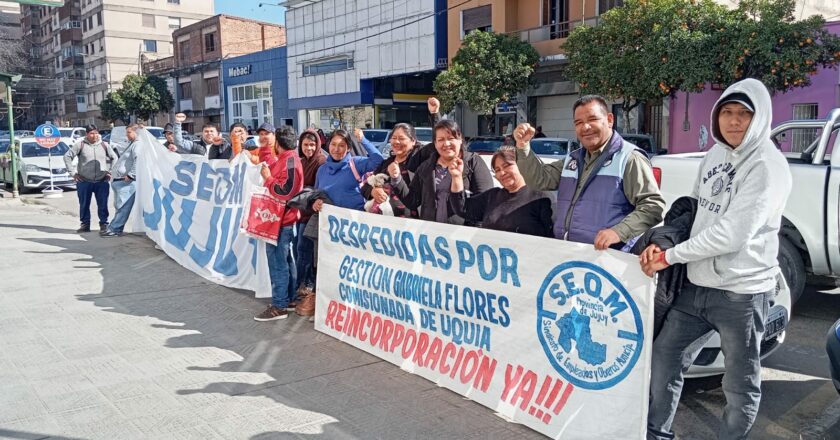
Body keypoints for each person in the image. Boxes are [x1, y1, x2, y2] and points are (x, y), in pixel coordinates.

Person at [641, 79, 792, 440]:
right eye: (727, 112)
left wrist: (671, 257)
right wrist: (665, 240)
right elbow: (695, 207)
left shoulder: (767, 166)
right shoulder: (714, 154)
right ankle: (655, 433)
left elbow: (732, 234)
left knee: (739, 385)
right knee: (665, 357)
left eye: (744, 114)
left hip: (741, 293)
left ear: (759, 118)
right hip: (698, 286)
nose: (734, 121)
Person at [515, 95, 665, 250]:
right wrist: (523, 146)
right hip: (571, 255)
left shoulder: (629, 158)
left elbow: (652, 206)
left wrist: (618, 232)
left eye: (592, 119)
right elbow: (540, 179)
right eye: (578, 123)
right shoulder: (573, 159)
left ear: (610, 120)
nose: (585, 127)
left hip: (607, 261)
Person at [391, 119, 494, 225]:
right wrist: (397, 179)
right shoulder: (425, 167)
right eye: (441, 140)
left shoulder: (473, 163)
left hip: (464, 236)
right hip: (432, 235)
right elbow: (412, 201)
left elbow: (486, 203)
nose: (446, 143)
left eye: (451, 138)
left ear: (460, 140)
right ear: (435, 144)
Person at [254, 124, 305, 321]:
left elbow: (286, 191)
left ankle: (279, 305)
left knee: (278, 263)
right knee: (285, 261)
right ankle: (289, 299)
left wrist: (268, 180)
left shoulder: (290, 160)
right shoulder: (287, 159)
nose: (264, 138)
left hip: (281, 221)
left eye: (268, 135)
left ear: (278, 141)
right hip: (281, 220)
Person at [448, 147, 552, 237]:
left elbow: (554, 238)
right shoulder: (492, 196)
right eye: (497, 170)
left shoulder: (542, 198)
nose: (502, 173)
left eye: (507, 166)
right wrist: (456, 176)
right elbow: (462, 208)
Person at [312, 129, 385, 213]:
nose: (336, 149)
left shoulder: (355, 164)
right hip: (330, 223)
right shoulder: (322, 170)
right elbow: (316, 194)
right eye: (333, 144)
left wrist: (363, 140)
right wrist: (315, 203)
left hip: (354, 222)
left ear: (349, 148)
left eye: (341, 145)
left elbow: (379, 161)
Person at [64, 124, 117, 233]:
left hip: (102, 180)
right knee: (84, 204)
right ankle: (85, 224)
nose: (94, 136)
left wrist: (110, 172)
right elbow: (67, 156)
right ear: (87, 134)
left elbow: (114, 157)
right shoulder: (80, 145)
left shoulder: (104, 145)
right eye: (92, 133)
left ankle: (103, 224)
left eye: (96, 133)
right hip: (84, 181)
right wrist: (73, 173)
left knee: (103, 204)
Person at [295, 129, 327, 298]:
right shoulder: (301, 161)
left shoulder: (320, 161)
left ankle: (306, 284)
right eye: (306, 144)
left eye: (312, 144)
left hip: (312, 213)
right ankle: (304, 282)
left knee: (304, 249)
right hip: (301, 211)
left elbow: (316, 189)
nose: (309, 148)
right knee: (300, 249)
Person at [102, 124, 142, 238]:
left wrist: (131, 175)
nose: (127, 135)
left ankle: (115, 229)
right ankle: (113, 227)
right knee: (120, 206)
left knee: (123, 207)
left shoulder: (137, 144)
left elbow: (137, 159)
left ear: (136, 132)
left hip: (127, 182)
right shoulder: (132, 144)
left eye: (129, 132)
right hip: (120, 181)